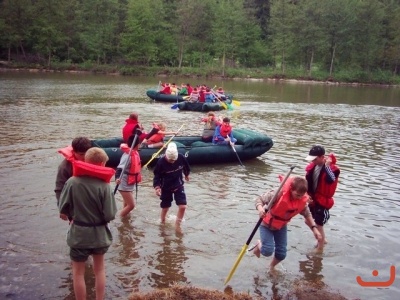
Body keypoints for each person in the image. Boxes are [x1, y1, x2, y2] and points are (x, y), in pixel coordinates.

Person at [59, 147, 117, 300]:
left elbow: (63, 208)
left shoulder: (72, 182)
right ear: (103, 163)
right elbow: (110, 214)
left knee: (78, 273)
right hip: (99, 235)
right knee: (99, 270)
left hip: (78, 234)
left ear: (85, 161)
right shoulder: (105, 186)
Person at [252, 176, 322, 270]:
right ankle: (258, 245)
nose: (300, 198)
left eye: (302, 195)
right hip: (266, 224)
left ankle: (271, 267)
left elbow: (307, 214)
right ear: (291, 189)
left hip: (281, 226)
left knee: (281, 254)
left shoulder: (301, 200)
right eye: (297, 195)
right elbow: (259, 199)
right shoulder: (277, 193)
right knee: (267, 251)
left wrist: (314, 229)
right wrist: (260, 210)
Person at [305, 145, 340, 250]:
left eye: (315, 159)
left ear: (322, 157)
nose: (313, 161)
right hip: (313, 198)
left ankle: (320, 247)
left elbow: (331, 180)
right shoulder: (313, 167)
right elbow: (307, 181)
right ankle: (322, 239)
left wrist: (328, 166)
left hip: (323, 200)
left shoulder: (332, 169)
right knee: (308, 220)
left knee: (319, 224)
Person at [153, 142, 190, 228]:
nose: (172, 162)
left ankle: (177, 225)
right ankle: (162, 223)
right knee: (165, 207)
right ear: (166, 155)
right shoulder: (161, 162)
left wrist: (187, 174)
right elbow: (157, 176)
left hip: (178, 185)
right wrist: (157, 187)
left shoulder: (180, 157)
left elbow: (186, 166)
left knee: (183, 206)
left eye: (174, 160)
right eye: (170, 160)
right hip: (166, 187)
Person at [55, 137, 92, 209]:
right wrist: (62, 208)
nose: (85, 157)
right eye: (81, 154)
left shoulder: (94, 158)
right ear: (74, 152)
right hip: (75, 202)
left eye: (87, 153)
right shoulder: (64, 167)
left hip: (91, 200)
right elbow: (59, 189)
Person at [115, 129, 142, 217]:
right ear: (137, 145)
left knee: (126, 204)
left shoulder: (135, 153)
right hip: (123, 183)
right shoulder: (128, 156)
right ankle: (119, 218)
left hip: (130, 182)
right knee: (131, 205)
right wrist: (117, 178)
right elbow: (119, 168)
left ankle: (125, 223)